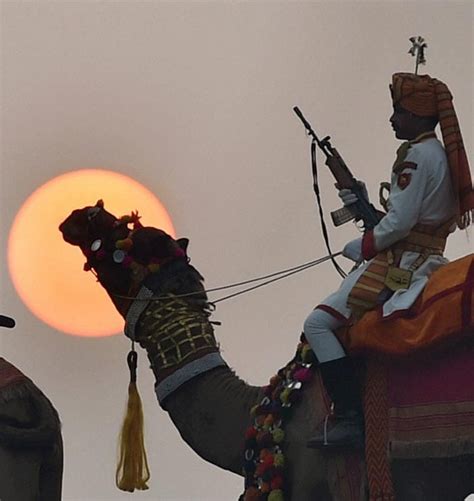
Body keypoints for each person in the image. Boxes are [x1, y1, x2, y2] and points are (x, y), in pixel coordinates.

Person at [304, 72, 474, 449]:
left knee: (317, 324)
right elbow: (413, 217)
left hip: (403, 263)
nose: (393, 119)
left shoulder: (415, 156)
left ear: (415, 113)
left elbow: (399, 224)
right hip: (429, 257)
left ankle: (348, 417)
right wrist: (361, 200)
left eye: (398, 111)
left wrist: (363, 246)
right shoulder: (438, 154)